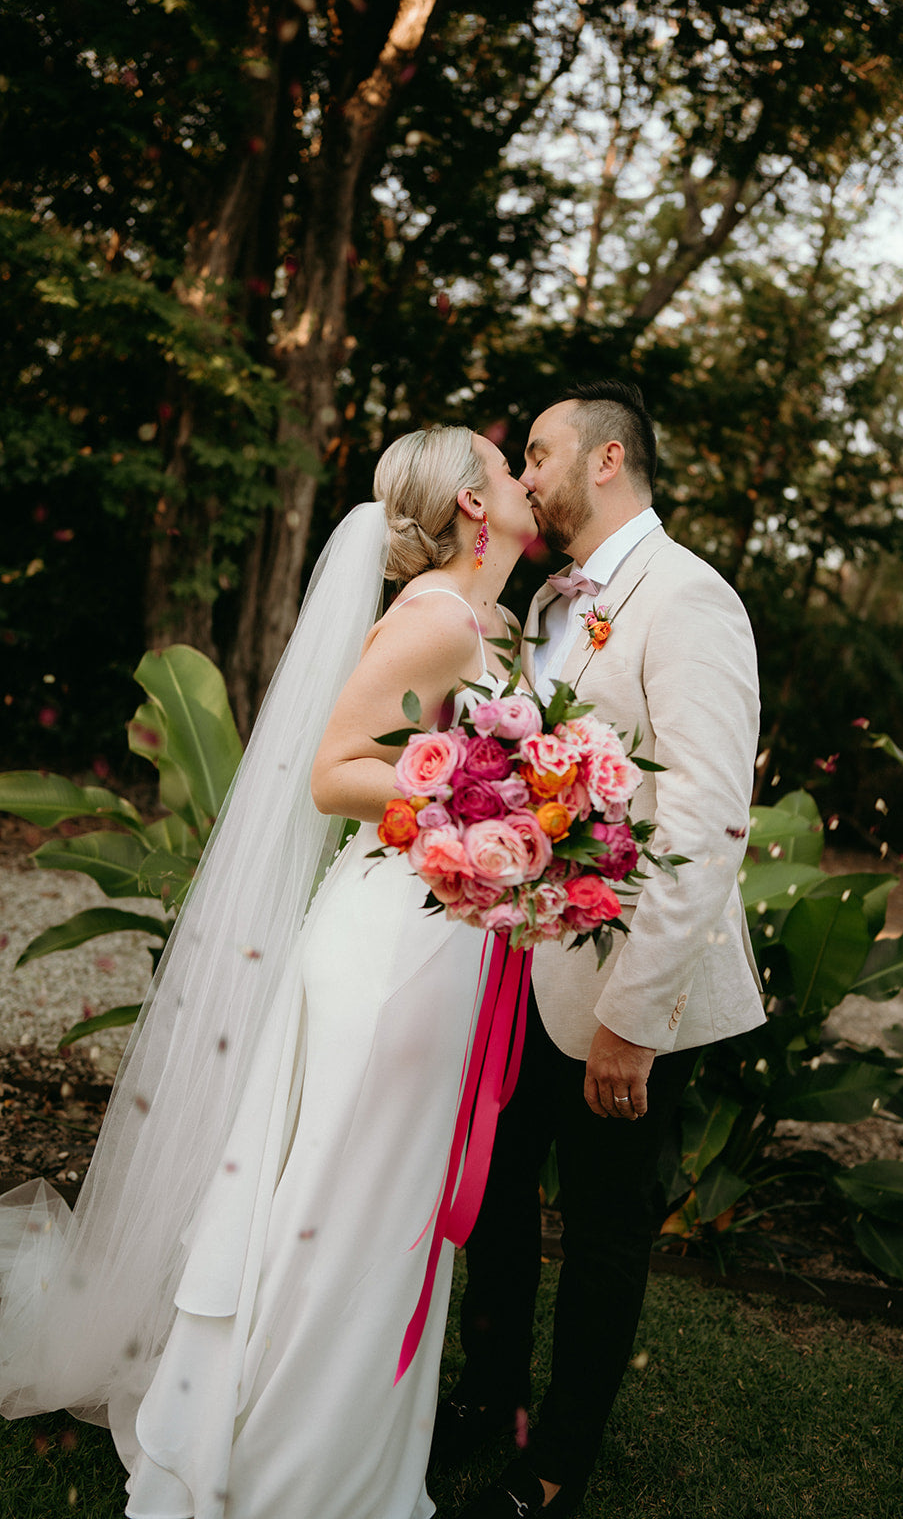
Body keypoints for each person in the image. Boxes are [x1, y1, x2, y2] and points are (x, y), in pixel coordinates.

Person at [0, 425, 538, 1519]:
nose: (529, 480)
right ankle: (282, 1465)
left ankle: (347, 1455)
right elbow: (333, 769)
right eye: (508, 465)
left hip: (443, 936)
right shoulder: (435, 620)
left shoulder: (490, 624)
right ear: (476, 507)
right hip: (391, 942)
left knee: (383, 1203)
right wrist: (479, 808)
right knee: (347, 1198)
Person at [436, 381, 766, 1519]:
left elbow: (709, 819)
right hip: (528, 968)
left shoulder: (688, 599)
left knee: (603, 1235)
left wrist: (632, 1017)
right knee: (498, 1201)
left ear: (608, 457)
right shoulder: (550, 605)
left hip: (628, 991)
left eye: (537, 453)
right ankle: (490, 1399)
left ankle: (551, 1465)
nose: (522, 476)